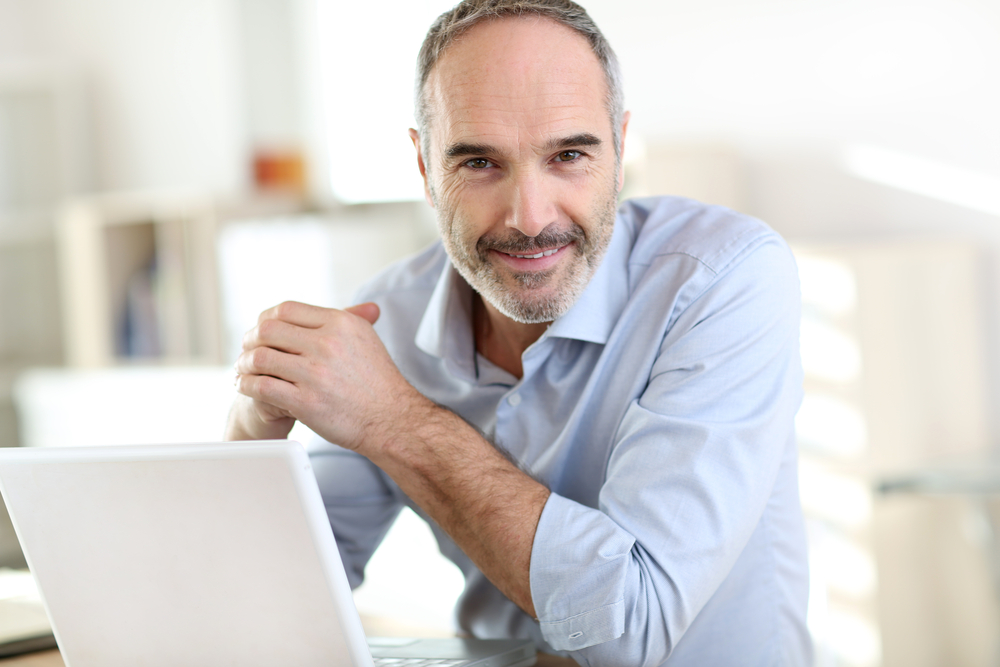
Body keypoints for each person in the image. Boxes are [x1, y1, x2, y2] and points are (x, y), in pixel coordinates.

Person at [226, 1, 811, 664]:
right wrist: (250, 434)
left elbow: (630, 631)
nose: (530, 218)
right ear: (424, 167)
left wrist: (397, 420)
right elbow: (266, 607)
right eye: (480, 163)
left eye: (568, 155)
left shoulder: (722, 279)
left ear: (619, 150)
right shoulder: (387, 314)